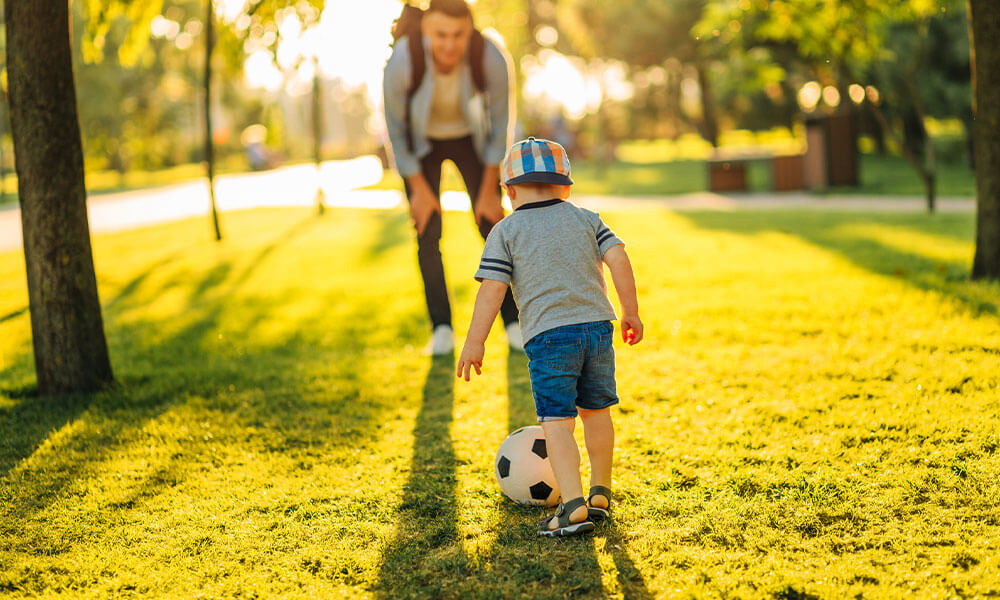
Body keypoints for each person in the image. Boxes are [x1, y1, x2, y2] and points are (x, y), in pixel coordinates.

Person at [456, 137, 643, 537]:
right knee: (597, 413)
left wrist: (475, 341)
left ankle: (572, 505)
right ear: (566, 187)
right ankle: (601, 491)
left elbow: (492, 289)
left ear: (508, 192)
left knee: (558, 424)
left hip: (548, 337)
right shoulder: (588, 218)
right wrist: (630, 311)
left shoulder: (505, 231)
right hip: (597, 328)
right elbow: (619, 258)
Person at [383, 0, 520, 355]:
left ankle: (514, 323)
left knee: (493, 225)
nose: (449, 44)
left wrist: (491, 189)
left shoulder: (490, 55)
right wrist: (417, 189)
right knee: (427, 230)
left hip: (469, 139)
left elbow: (500, 128)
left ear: (470, 30)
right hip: (421, 142)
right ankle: (441, 328)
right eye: (441, 34)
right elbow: (395, 132)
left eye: (458, 35)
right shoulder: (402, 58)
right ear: (426, 29)